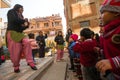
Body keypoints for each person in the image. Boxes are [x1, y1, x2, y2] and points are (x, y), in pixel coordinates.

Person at [6, 4, 37, 73]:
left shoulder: (21, 16)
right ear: (18, 8)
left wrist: (26, 26)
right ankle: (16, 66)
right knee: (16, 52)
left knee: (27, 42)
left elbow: (20, 29)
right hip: (12, 33)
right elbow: (13, 20)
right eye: (22, 9)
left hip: (20, 34)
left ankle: (30, 62)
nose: (23, 10)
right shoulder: (11, 12)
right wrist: (24, 21)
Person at [95, 0, 120, 80]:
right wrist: (101, 51)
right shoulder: (109, 31)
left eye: (103, 13)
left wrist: (113, 62)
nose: (100, 17)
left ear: (116, 12)